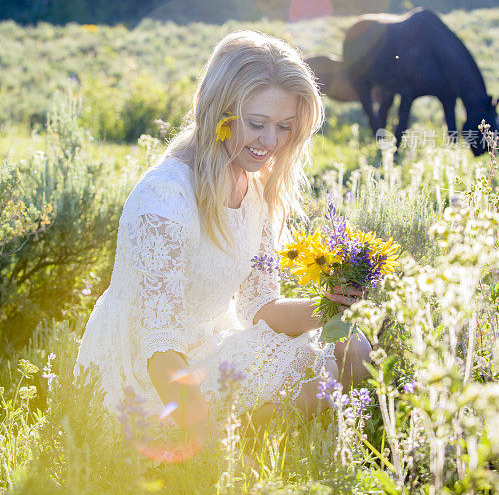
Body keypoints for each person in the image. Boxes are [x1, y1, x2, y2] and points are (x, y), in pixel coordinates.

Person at [74, 30, 371, 446]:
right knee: (315, 380)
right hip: (147, 372)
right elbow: (159, 351)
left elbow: (258, 307)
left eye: (284, 127)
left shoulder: (253, 186)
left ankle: (248, 431)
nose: (271, 143)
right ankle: (226, 444)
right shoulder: (165, 197)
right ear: (219, 112)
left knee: (352, 350)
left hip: (211, 346)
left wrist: (330, 306)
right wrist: (221, 465)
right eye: (257, 124)